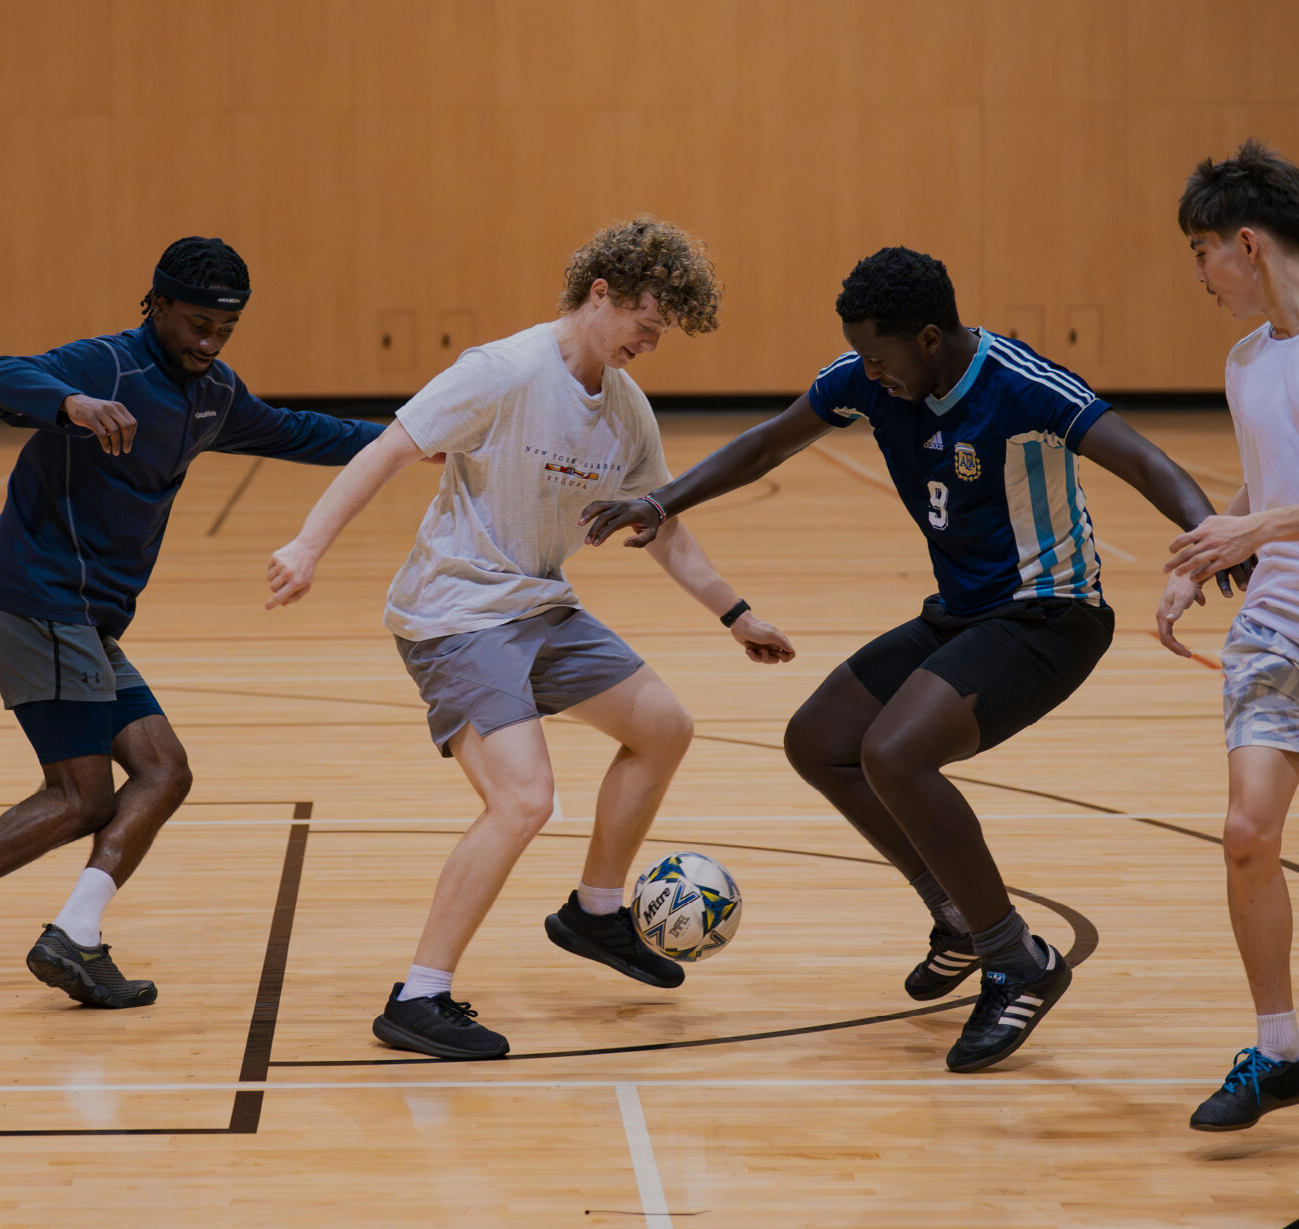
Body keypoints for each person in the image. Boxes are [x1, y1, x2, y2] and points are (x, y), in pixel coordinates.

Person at [579, 246, 1238, 1073]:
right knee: (819, 740)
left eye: (879, 357)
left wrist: (1210, 536)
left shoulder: (1018, 382)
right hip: (962, 615)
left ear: (929, 338)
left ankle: (1017, 960)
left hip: (1050, 616)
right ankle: (958, 917)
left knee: (895, 752)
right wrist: (659, 499)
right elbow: (768, 444)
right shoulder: (868, 378)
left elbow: (1143, 458)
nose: (868, 373)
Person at [266, 217, 795, 1059]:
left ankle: (595, 912)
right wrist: (307, 545)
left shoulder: (625, 408)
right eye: (645, 324)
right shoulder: (503, 371)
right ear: (599, 293)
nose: (651, 344)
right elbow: (389, 450)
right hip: (455, 614)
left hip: (537, 605)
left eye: (662, 333)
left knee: (665, 726)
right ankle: (418, 996)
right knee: (523, 799)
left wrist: (737, 616)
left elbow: (664, 528)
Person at [0, 237, 382, 1010]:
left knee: (164, 771)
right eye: (197, 324)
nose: (210, 342)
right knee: (80, 796)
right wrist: (73, 404)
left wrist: (406, 442)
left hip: (86, 619)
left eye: (225, 330)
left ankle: (75, 934)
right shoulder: (108, 366)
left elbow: (301, 431)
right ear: (156, 304)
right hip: (35, 599)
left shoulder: (214, 393)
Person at [1159, 139, 1299, 1131]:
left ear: (1245, 244)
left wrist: (1256, 528)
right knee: (1247, 833)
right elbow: (1266, 489)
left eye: (1200, 252)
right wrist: (1200, 557)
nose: (1199, 275)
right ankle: (1281, 1049)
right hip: (1275, 626)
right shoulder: (1246, 362)